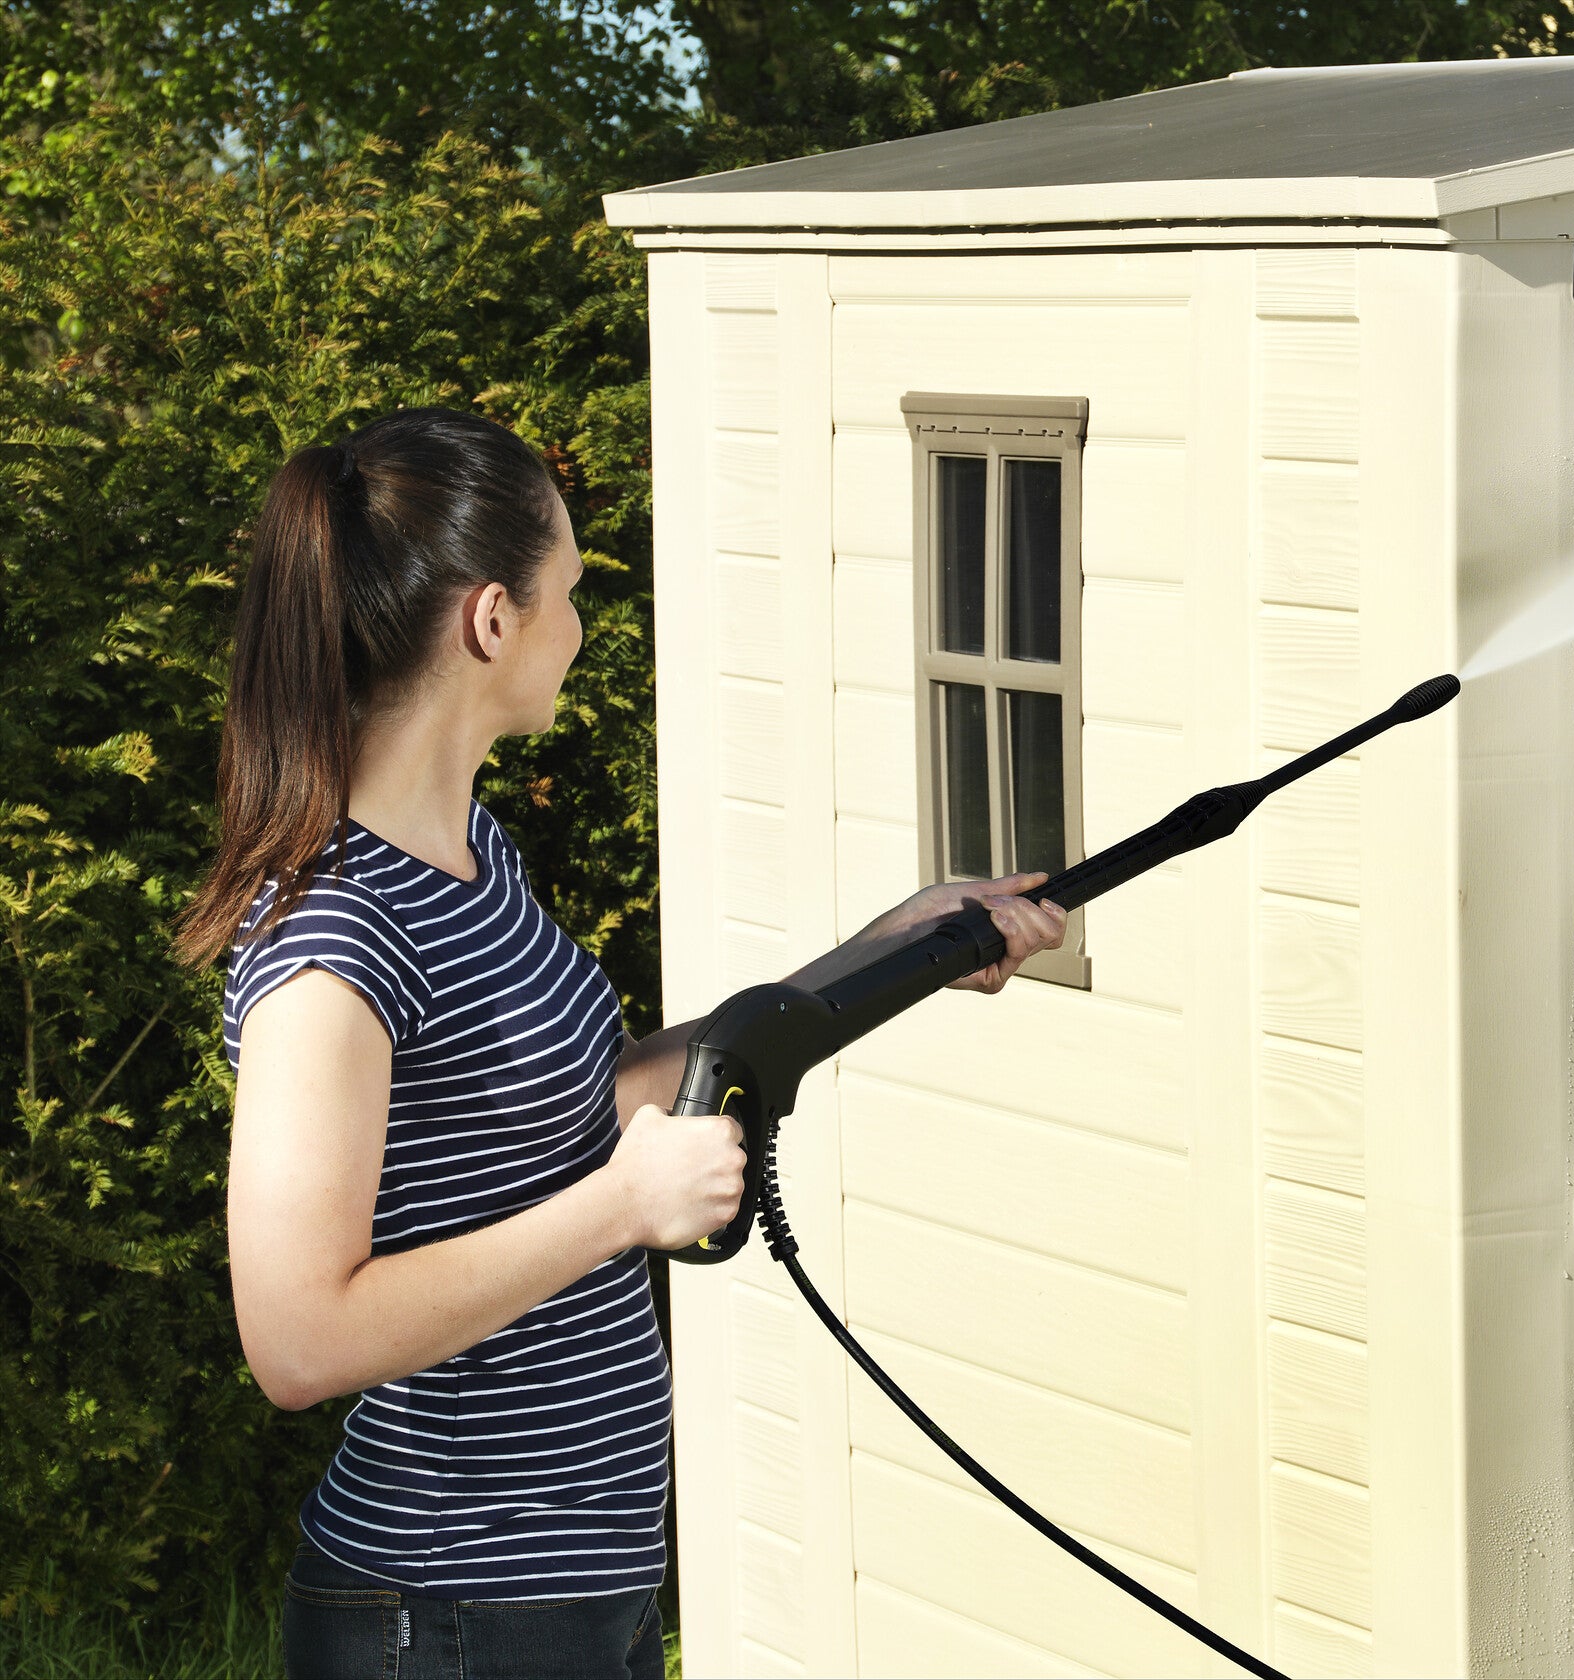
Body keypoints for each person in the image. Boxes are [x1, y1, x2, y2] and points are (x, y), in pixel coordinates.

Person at [174, 408, 1065, 1680]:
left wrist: (891, 950)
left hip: (575, 1595)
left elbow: (584, 1100)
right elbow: (299, 1339)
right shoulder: (336, 942)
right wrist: (621, 1208)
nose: (581, 629)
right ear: (492, 620)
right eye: (570, 593)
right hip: (448, 1614)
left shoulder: (469, 859)